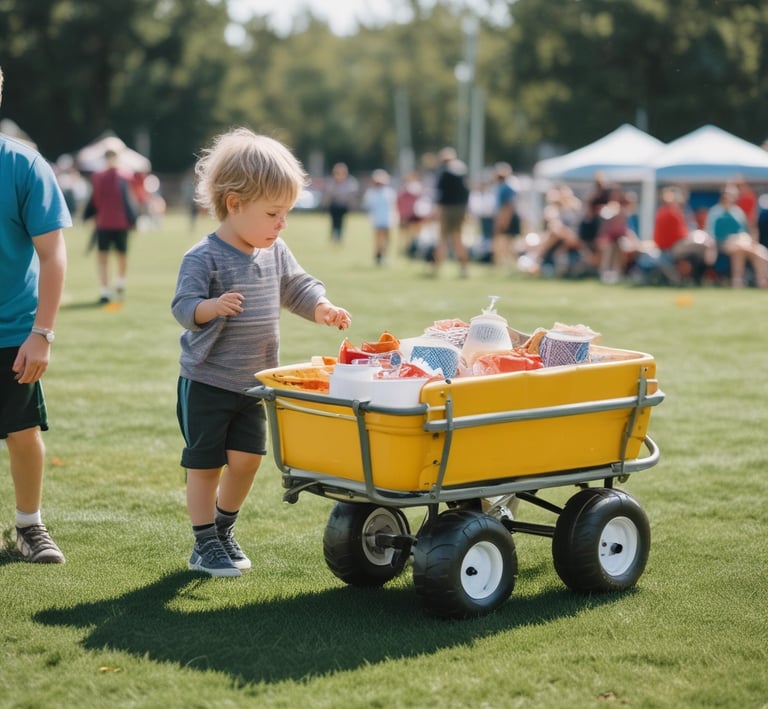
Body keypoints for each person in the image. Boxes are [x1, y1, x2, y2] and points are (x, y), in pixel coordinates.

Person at [171, 127, 352, 577]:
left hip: (254, 384)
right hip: (208, 381)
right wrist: (209, 308)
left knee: (248, 461)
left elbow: (297, 287)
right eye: (274, 212)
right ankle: (203, 542)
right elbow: (183, 307)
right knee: (206, 464)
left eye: (286, 212)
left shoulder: (275, 251)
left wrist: (323, 307)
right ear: (234, 204)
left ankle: (223, 527)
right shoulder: (203, 257)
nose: (282, 223)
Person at [0, 66, 70, 563]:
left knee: (22, 434)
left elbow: (53, 255)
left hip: (13, 330)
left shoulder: (23, 165)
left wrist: (42, 333)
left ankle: (29, 525)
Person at [86, 148, 137, 303]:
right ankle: (106, 289)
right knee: (106, 257)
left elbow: (128, 200)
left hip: (115, 223)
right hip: (107, 223)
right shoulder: (101, 176)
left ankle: (117, 283)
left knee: (117, 256)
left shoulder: (123, 176)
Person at [706, 183, 768, 288]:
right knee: (742, 248)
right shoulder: (715, 211)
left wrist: (751, 241)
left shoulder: (738, 211)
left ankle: (759, 279)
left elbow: (745, 230)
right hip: (723, 242)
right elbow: (710, 231)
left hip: (741, 242)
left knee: (756, 250)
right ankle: (746, 280)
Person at [432, 147, 470, 277]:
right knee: (458, 238)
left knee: (442, 238)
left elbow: (439, 195)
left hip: (447, 209)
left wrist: (436, 211)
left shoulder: (443, 173)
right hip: (460, 209)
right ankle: (463, 266)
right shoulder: (462, 172)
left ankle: (436, 266)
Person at [362, 169, 397, 265]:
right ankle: (378, 255)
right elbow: (367, 205)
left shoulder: (389, 192)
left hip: (387, 219)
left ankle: (384, 255)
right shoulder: (371, 193)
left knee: (387, 239)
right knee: (378, 240)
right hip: (377, 220)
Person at [491, 161, 521, 270]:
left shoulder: (507, 187)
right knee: (508, 243)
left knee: (505, 242)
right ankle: (508, 264)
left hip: (507, 218)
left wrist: (503, 221)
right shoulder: (507, 185)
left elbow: (508, 206)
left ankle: (504, 264)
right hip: (507, 216)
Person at [321, 162, 357, 244]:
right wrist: (324, 205)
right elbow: (328, 195)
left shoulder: (349, 182)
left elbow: (351, 196)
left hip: (343, 205)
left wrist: (353, 205)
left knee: (341, 222)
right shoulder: (332, 182)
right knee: (334, 222)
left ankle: (339, 238)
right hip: (334, 205)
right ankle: (333, 237)